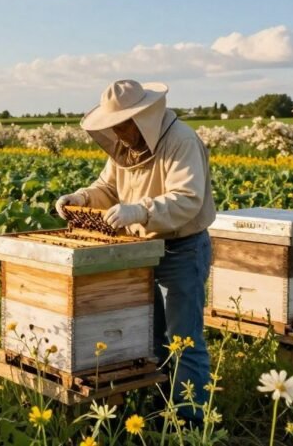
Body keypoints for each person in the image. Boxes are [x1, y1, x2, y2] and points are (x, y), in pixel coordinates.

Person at [55, 79, 216, 422]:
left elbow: (188, 199)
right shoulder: (125, 147)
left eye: (121, 124)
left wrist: (141, 211)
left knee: (183, 339)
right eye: (111, 125)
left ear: (143, 117)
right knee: (151, 335)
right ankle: (162, 408)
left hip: (181, 248)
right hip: (141, 251)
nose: (116, 132)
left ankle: (190, 420)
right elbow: (107, 187)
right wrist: (82, 198)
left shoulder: (181, 141)